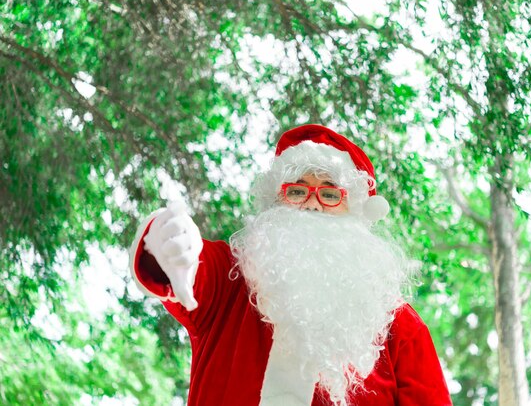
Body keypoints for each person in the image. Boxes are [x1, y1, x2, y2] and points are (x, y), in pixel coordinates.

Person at [129, 124, 452, 406]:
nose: (312, 202)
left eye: (329, 194)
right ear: (276, 201)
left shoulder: (397, 323)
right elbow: (185, 266)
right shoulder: (229, 277)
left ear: (354, 210)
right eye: (297, 191)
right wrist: (164, 242)